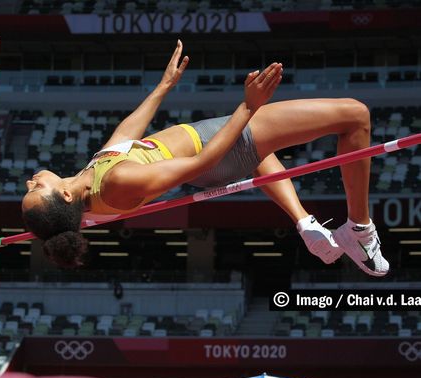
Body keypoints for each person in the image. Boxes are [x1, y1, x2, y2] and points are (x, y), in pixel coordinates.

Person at [22, 40, 389, 277]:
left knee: (261, 153)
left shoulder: (87, 184)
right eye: (37, 188)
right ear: (65, 197)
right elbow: (200, 164)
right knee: (354, 116)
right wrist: (247, 107)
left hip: (209, 141)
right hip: (212, 147)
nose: (31, 181)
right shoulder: (116, 186)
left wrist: (163, 87)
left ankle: (305, 223)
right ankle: (359, 228)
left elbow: (122, 139)